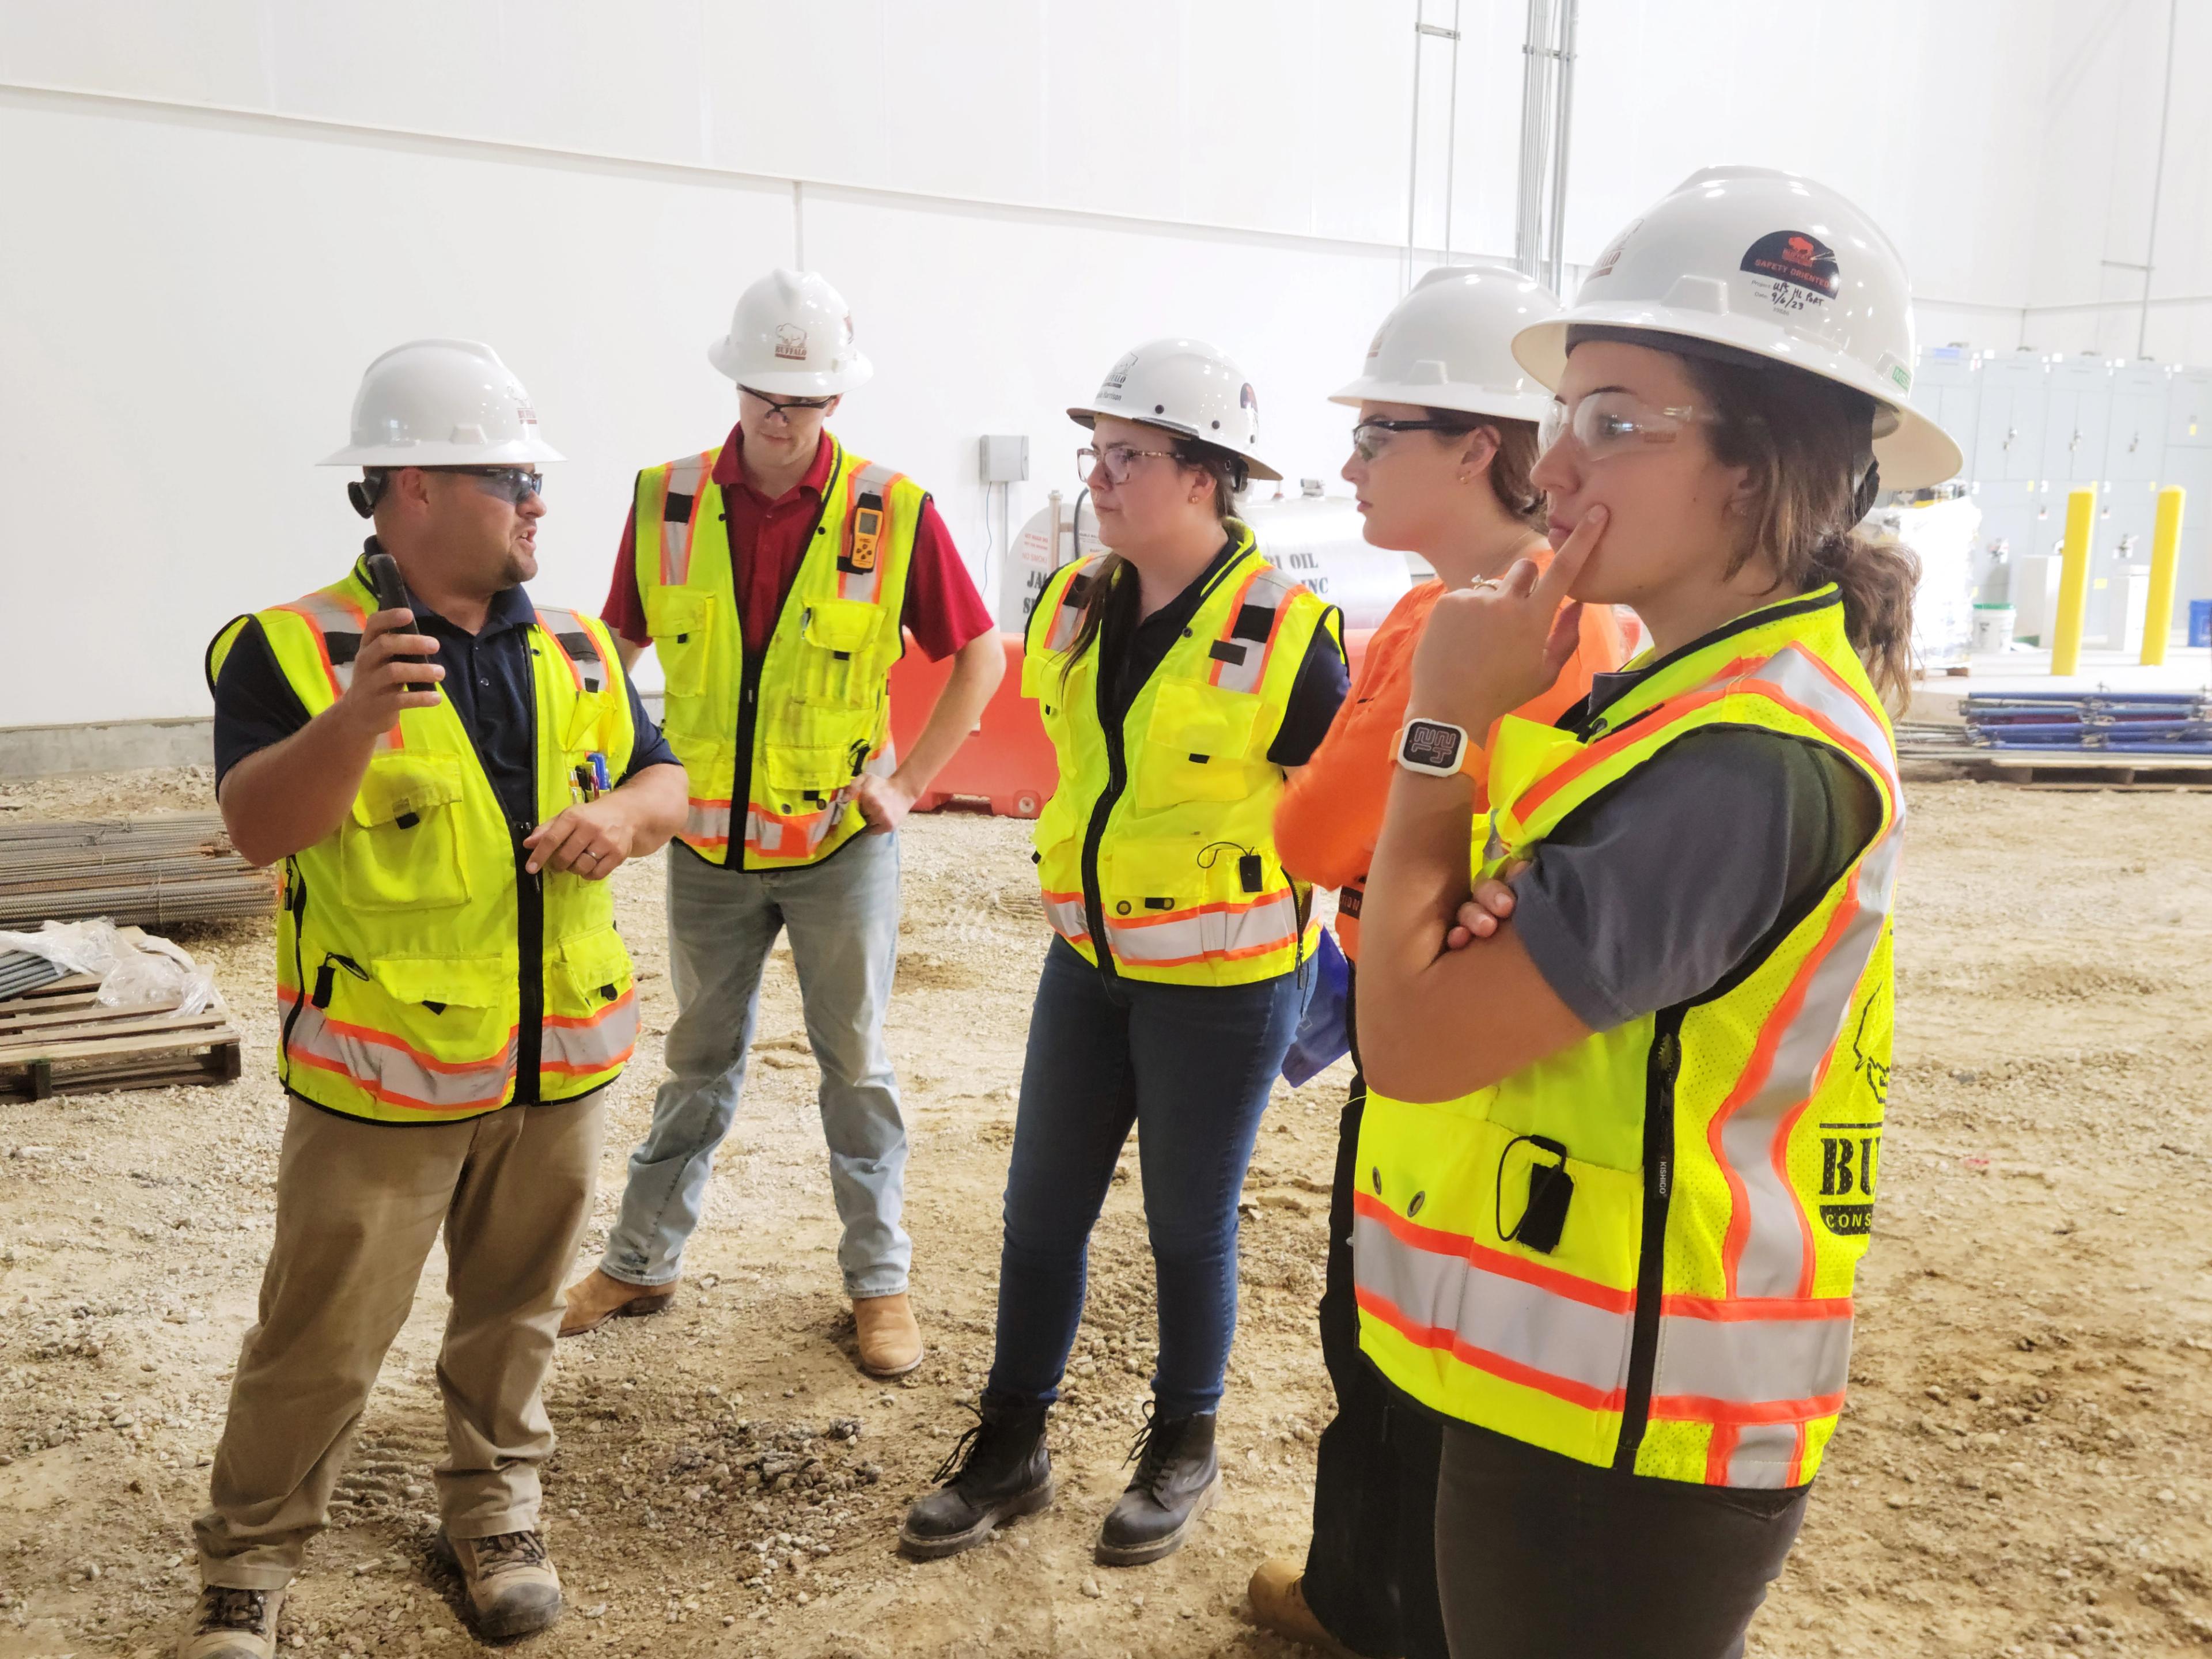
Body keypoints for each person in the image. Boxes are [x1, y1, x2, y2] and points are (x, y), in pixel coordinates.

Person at [1351, 166, 1961, 1658]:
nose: (1554, 466)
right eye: (1567, 413)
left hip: (1631, 1436)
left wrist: (1441, 729)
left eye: (1616, 422)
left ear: (1765, 466)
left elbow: (1414, 1039)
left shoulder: (1749, 761)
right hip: (1581, 1388)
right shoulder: (1678, 700)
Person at [187, 340, 690, 1659]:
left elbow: (667, 780)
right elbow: (256, 830)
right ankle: (250, 1561)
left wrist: (623, 818)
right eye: (511, 478)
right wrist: (353, 723)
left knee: (515, 1316)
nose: (538, 501)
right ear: (411, 486)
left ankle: (495, 1511)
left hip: (555, 1068)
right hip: (381, 1086)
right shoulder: (290, 652)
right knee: (321, 1339)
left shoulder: (579, 645)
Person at [897, 339, 1348, 1567]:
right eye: (1095, 452)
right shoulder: (1074, 602)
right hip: (1089, 967)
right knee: (1040, 1213)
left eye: (1128, 456)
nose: (1098, 476)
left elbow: (1338, 815)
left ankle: (1182, 1443)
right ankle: (1011, 1447)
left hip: (1225, 984)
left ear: (1203, 477)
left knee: (1186, 1226)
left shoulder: (1289, 634)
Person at [1248, 263, 1626, 1658]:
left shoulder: (1443, 625)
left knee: (1383, 1344)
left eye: (1376, 433)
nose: (1349, 463)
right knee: (1479, 1365)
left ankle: (1362, 1604)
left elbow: (1310, 832)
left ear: (1475, 447)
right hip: (1538, 1043)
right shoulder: (1605, 612)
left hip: (1418, 1040)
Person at [561, 268, 1003, 1378]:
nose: (780, 415)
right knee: (697, 1059)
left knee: (855, 1066)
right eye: (765, 392)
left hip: (837, 849)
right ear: (736, 382)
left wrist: (912, 784)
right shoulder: (665, 501)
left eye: (802, 399)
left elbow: (979, 656)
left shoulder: (892, 513)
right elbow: (614, 652)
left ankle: (879, 1284)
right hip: (707, 849)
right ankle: (641, 1260)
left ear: (835, 400)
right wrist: (601, 778)